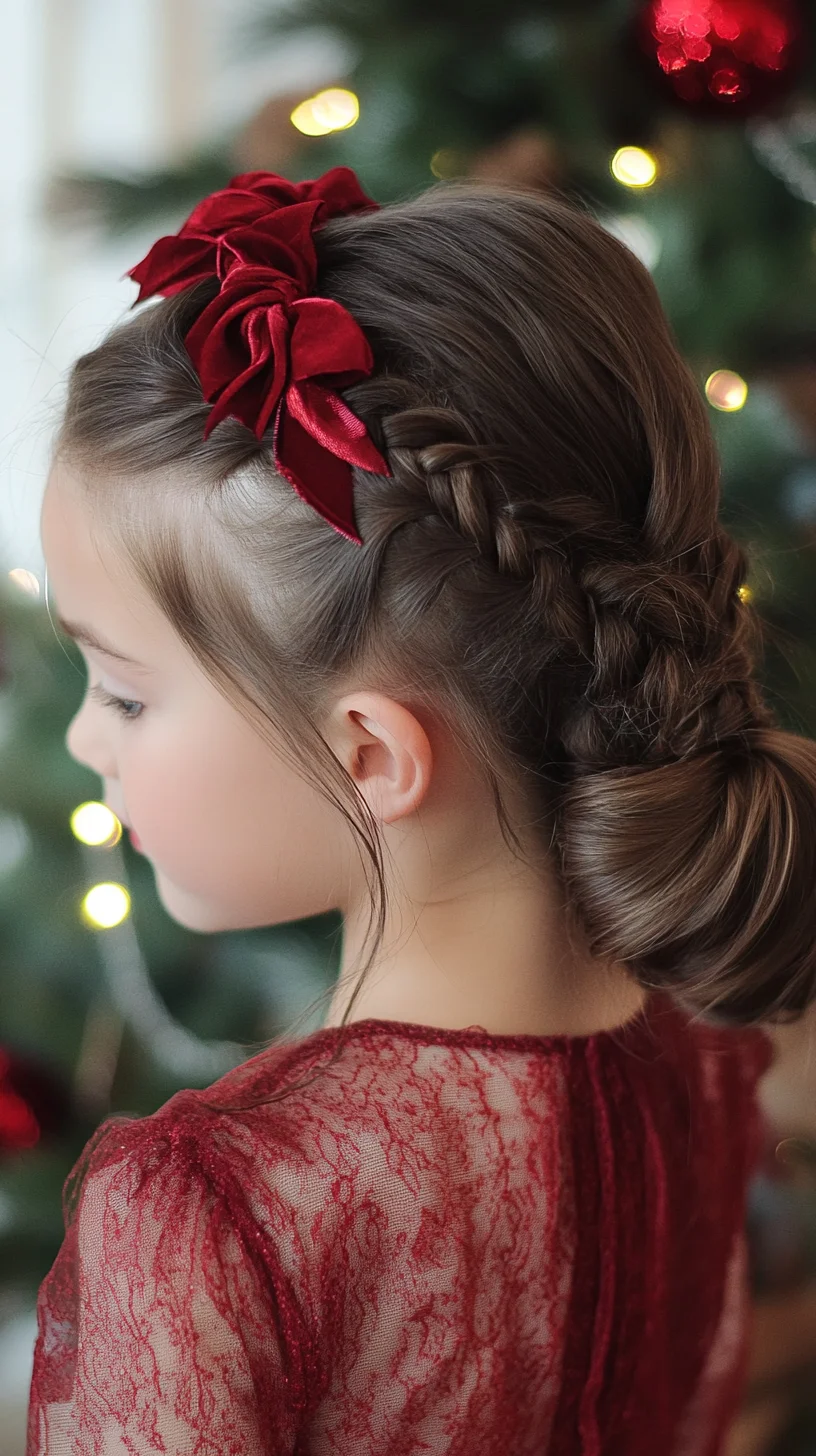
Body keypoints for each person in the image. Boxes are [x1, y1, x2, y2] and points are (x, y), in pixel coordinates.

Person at [26, 165, 816, 1455]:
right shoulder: (702, 1076)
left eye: (120, 693)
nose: (80, 738)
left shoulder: (212, 1219)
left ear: (371, 756)